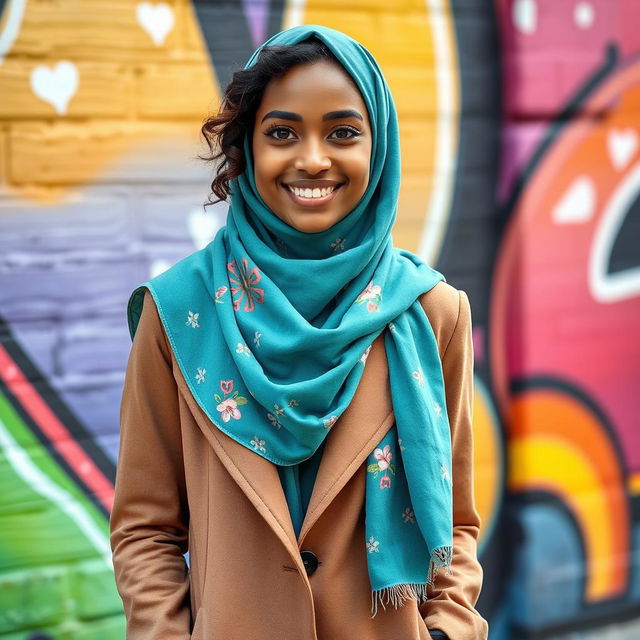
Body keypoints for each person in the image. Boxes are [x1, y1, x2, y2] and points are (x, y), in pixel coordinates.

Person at [109, 24, 488, 640]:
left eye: (343, 132)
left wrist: (450, 628)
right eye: (282, 133)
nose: (313, 159)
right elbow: (146, 528)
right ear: (246, 150)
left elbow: (458, 520)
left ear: (380, 146)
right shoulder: (177, 313)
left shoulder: (434, 313)